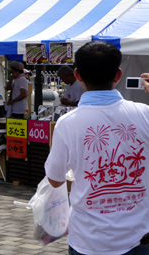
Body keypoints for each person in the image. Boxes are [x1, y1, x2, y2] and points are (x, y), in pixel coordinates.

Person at [46, 42, 149, 255]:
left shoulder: (67, 123)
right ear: (118, 74)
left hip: (88, 240)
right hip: (138, 238)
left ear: (77, 75)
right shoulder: (144, 114)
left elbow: (55, 179)